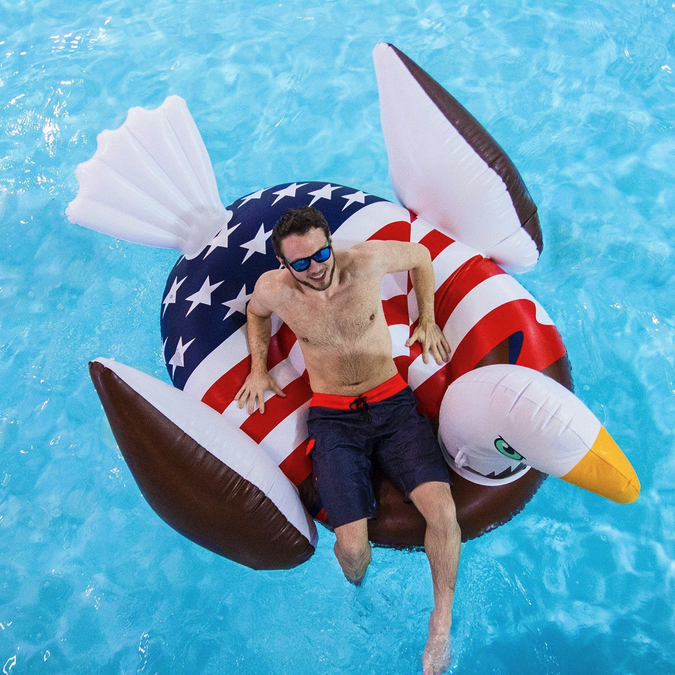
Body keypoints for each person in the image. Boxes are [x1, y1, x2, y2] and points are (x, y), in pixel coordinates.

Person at [235, 206, 461, 675]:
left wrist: (429, 318)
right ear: (284, 265)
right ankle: (360, 594)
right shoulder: (275, 290)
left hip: (393, 403)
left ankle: (440, 621)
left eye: (321, 253)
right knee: (354, 550)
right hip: (335, 418)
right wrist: (258, 368)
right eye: (301, 263)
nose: (316, 267)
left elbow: (421, 256)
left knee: (442, 510)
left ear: (330, 241)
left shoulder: (365, 261)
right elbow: (255, 315)